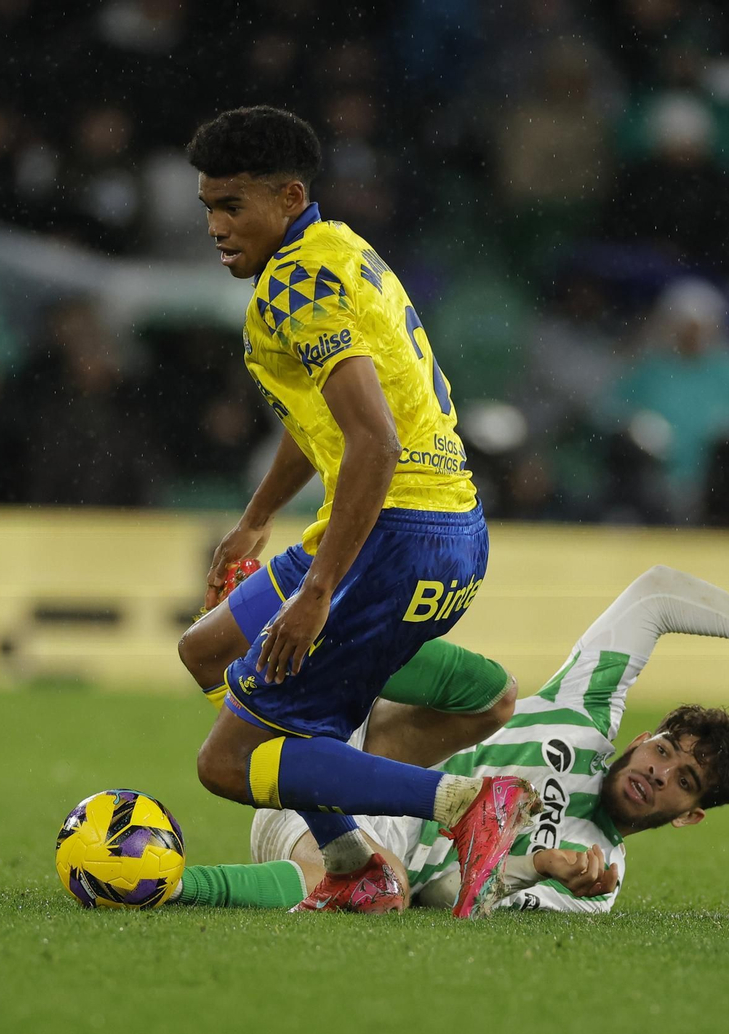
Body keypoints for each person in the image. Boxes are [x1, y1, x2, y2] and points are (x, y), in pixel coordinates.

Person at [174, 106, 535, 917]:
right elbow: (329, 419)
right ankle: (352, 863)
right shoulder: (338, 250)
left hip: (392, 531)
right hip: (420, 521)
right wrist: (258, 516)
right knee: (208, 651)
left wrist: (317, 591)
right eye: (206, 206)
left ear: (288, 194)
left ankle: (463, 806)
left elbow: (372, 443)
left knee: (228, 765)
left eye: (232, 206)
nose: (215, 226)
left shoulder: (295, 286)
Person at [168, 565, 729, 913]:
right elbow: (659, 593)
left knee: (380, 886)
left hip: (330, 816)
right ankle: (309, 644)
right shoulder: (588, 708)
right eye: (666, 750)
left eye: (684, 782)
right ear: (643, 737)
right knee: (493, 695)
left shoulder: (592, 874)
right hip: (352, 730)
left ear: (688, 815)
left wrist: (535, 866)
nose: (660, 772)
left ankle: (162, 887)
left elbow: (446, 898)